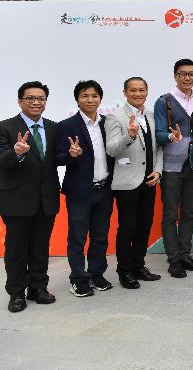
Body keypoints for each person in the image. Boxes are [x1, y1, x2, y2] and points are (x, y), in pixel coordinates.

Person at [0, 81, 60, 313]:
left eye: (41, 98)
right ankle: (16, 293)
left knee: (39, 246)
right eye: (30, 98)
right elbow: (2, 162)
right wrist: (16, 153)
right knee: (16, 249)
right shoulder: (5, 127)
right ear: (20, 101)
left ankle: (38, 287)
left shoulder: (54, 128)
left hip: (46, 199)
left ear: (45, 101)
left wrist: (73, 156)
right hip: (16, 200)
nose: (36, 102)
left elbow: (58, 158)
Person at [55, 80, 114, 297]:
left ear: (100, 98)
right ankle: (79, 278)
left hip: (104, 190)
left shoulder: (107, 123)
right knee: (78, 237)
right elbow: (57, 158)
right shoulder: (67, 126)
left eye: (94, 96)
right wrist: (70, 155)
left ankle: (96, 273)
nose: (90, 100)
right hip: (80, 192)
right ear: (77, 100)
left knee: (100, 235)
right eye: (85, 96)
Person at [105, 77, 163, 290]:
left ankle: (139, 266)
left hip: (149, 180)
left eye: (141, 90)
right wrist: (129, 136)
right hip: (127, 182)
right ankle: (125, 271)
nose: (137, 94)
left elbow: (157, 148)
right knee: (128, 228)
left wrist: (158, 170)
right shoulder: (115, 117)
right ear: (125, 92)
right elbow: (111, 149)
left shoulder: (150, 115)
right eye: (133, 90)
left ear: (147, 92)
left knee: (144, 227)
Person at [154, 58, 193, 278]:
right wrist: (170, 136)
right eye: (183, 74)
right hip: (171, 166)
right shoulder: (164, 101)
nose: (187, 78)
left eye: (191, 74)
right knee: (169, 214)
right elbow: (158, 133)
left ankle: (185, 255)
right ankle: (173, 260)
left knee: (188, 212)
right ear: (175, 76)